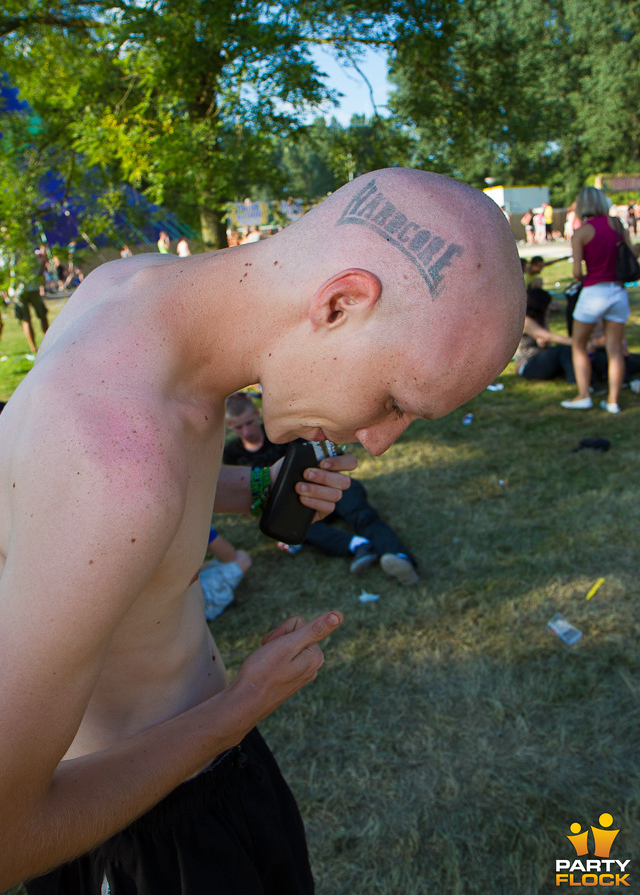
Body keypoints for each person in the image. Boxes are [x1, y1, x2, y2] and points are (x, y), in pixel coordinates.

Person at [0, 168, 524, 894]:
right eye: (395, 399)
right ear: (340, 302)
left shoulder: (128, 290)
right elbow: (8, 840)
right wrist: (239, 707)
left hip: (209, 776)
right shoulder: (112, 470)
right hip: (141, 841)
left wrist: (254, 489)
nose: (377, 441)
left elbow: (53, 486)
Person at [224, 393, 419, 585]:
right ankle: (358, 545)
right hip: (295, 505)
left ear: (257, 414)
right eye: (239, 427)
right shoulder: (231, 454)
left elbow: (317, 455)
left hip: (324, 487)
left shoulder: (278, 433)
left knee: (359, 511)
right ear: (230, 427)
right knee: (295, 527)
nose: (247, 431)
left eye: (249, 423)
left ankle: (398, 555)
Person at [561, 186, 632, 414]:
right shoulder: (617, 225)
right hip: (618, 292)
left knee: (579, 344)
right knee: (615, 349)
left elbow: (577, 273)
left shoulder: (582, 232)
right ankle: (613, 401)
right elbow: (630, 254)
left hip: (594, 291)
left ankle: (584, 395)